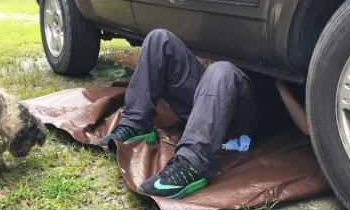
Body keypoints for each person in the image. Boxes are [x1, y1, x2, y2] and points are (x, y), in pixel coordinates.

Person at [98, 29, 260, 199]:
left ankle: (192, 163)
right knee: (159, 38)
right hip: (210, 96)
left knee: (221, 70)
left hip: (243, 111)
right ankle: (136, 123)